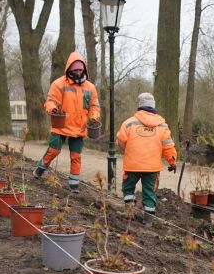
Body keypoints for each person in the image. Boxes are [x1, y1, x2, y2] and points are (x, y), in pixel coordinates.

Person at [33, 51, 101, 192]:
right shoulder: (59, 84)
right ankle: (40, 169)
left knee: (76, 156)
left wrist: (94, 116)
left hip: (79, 128)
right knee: (53, 151)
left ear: (84, 70)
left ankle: (74, 184)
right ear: (69, 68)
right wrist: (52, 109)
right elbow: (51, 100)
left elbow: (95, 105)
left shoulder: (90, 87)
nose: (78, 72)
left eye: (80, 70)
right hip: (61, 124)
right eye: (75, 69)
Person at [116, 93, 177, 223]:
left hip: (132, 165)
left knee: (128, 188)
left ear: (140, 106)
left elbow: (121, 140)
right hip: (152, 167)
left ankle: (129, 214)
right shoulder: (162, 126)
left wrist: (129, 150)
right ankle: (148, 221)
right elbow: (168, 146)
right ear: (153, 106)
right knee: (150, 192)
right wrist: (172, 162)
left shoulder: (129, 123)